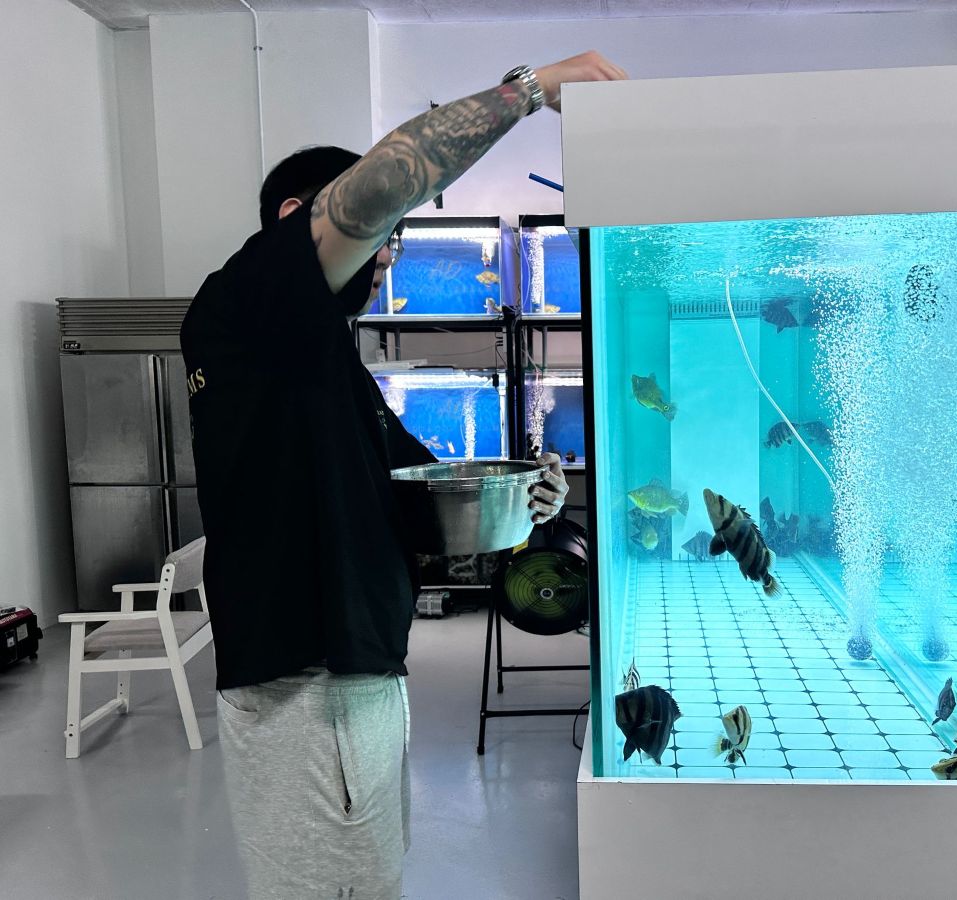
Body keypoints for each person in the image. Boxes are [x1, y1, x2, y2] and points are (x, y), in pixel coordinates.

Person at [180, 51, 627, 899]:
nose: (388, 257)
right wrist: (532, 92)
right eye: (382, 235)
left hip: (356, 686)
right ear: (295, 218)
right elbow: (382, 183)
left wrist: (525, 500)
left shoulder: (319, 367)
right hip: (309, 695)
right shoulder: (243, 300)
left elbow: (423, 498)